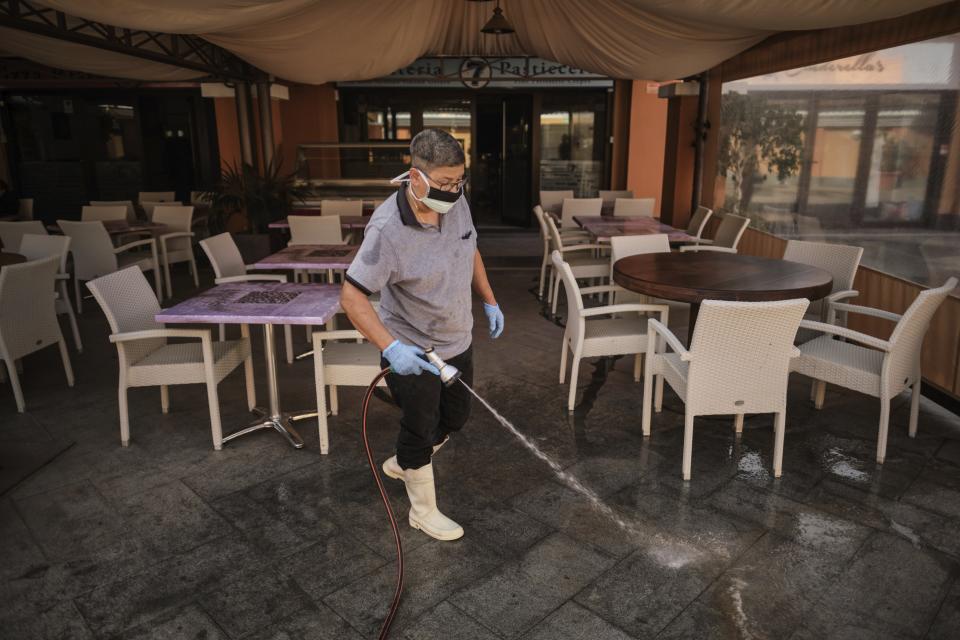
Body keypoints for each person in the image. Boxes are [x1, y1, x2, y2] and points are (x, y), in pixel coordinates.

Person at [341, 129, 504, 541]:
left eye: (459, 181)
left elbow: (470, 249)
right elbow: (352, 297)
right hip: (412, 348)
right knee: (419, 427)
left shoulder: (455, 201)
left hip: (457, 339)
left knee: (455, 419)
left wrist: (490, 300)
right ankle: (423, 510)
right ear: (416, 177)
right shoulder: (387, 231)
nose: (454, 191)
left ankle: (407, 461)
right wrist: (390, 348)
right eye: (445, 183)